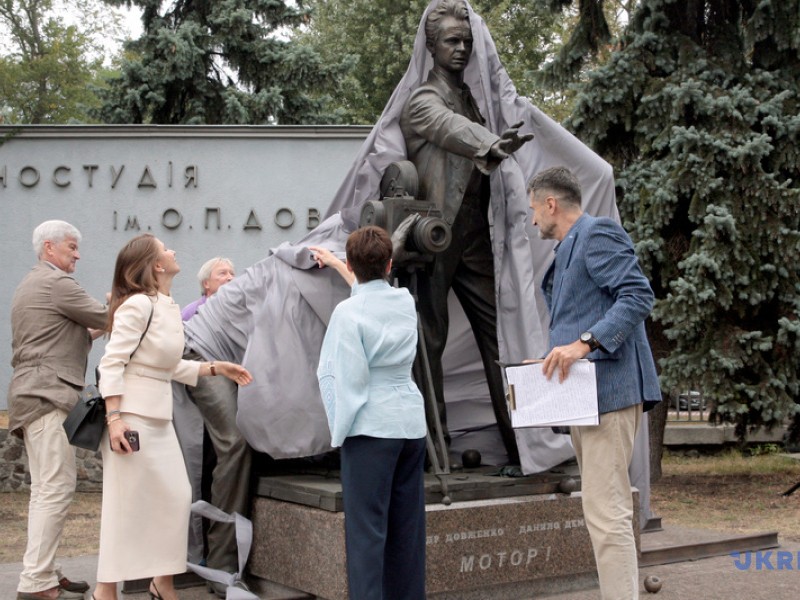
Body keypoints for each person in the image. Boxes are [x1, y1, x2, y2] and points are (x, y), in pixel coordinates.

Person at [398, 0, 533, 465]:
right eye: (451, 41)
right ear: (432, 46)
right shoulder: (422, 100)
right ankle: (434, 453)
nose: (460, 49)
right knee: (427, 341)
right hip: (433, 236)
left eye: (466, 42)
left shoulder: (473, 99)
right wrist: (489, 141)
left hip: (474, 235)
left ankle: (523, 448)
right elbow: (448, 127)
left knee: (500, 338)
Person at [526, 166, 661, 600]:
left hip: (610, 394)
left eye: (533, 210)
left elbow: (638, 295)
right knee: (601, 513)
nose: (532, 221)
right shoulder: (567, 249)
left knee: (608, 515)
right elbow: (580, 318)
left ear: (551, 204)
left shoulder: (598, 233)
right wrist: (554, 356)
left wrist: (582, 345)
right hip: (585, 398)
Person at [93, 234, 252, 600]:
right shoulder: (137, 306)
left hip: (158, 420)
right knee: (126, 507)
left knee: (177, 500)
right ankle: (105, 591)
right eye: (166, 249)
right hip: (131, 419)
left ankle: (161, 582)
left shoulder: (165, 305)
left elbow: (168, 366)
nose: (174, 251)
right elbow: (112, 363)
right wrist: (115, 419)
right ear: (156, 266)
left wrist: (216, 368)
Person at [317, 227, 427, 600]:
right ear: (390, 264)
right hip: (410, 422)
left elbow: (341, 376)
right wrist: (339, 264)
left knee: (366, 536)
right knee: (406, 534)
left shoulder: (347, 313)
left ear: (350, 264)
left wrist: (339, 431)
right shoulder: (405, 301)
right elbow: (369, 291)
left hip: (370, 427)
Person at [9, 220, 107, 600]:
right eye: (71, 247)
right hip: (46, 397)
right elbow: (105, 318)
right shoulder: (56, 283)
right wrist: (125, 300)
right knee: (55, 489)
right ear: (49, 248)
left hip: (32, 395)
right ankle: (36, 583)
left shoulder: (34, 282)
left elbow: (80, 333)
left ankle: (44, 571)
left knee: (44, 491)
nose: (78, 254)